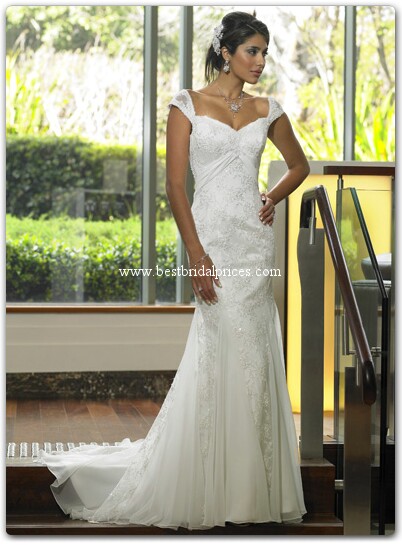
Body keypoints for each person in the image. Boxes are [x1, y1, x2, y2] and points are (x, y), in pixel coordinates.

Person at [38, 11, 309, 530]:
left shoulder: (267, 109)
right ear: (226, 52)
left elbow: (299, 166)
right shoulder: (186, 104)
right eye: (251, 51)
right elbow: (175, 187)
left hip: (252, 247)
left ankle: (251, 485)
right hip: (211, 242)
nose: (259, 62)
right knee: (219, 346)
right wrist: (195, 254)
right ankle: (216, 480)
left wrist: (271, 197)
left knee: (253, 351)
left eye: (264, 53)